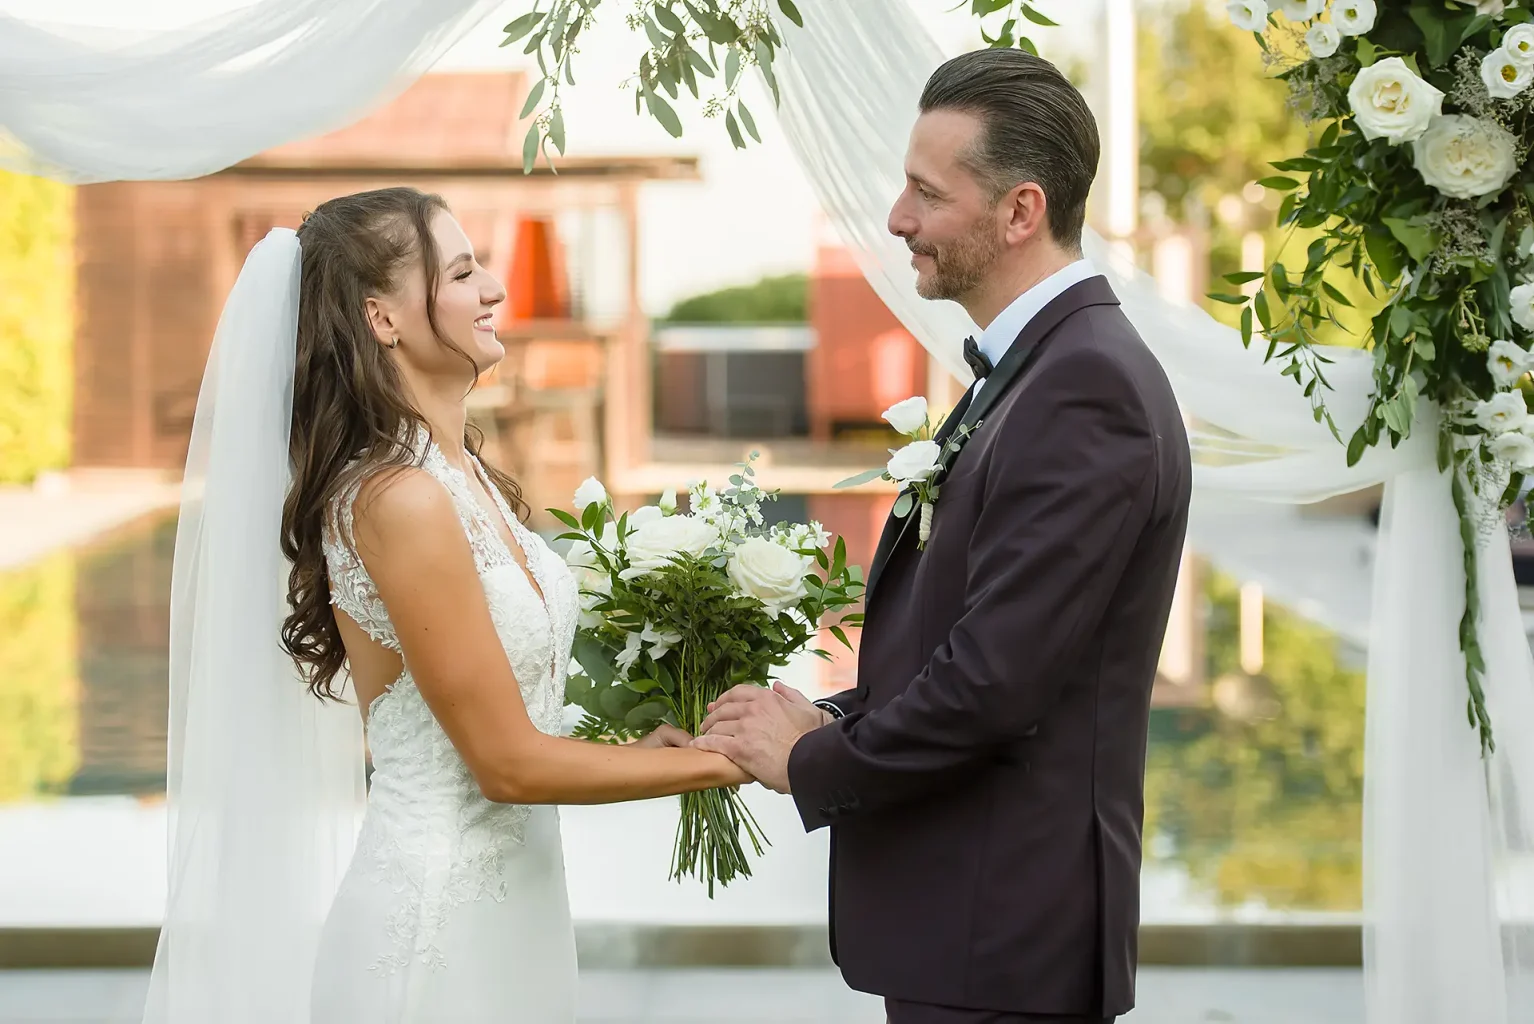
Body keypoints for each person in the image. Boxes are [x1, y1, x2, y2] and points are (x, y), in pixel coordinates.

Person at [143, 187, 731, 1024]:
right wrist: (730, 762)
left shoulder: (467, 480)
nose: (493, 288)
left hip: (516, 908)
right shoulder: (399, 498)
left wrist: (643, 743)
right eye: (461, 272)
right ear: (383, 319)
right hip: (432, 932)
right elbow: (507, 764)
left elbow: (512, 715)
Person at [694, 49, 1193, 1024]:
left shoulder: (1084, 389)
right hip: (970, 932)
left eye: (927, 192)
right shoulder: (1035, 371)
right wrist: (823, 713)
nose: (896, 218)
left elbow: (994, 683)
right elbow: (977, 636)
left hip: (1001, 937)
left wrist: (809, 762)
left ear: (1019, 210)